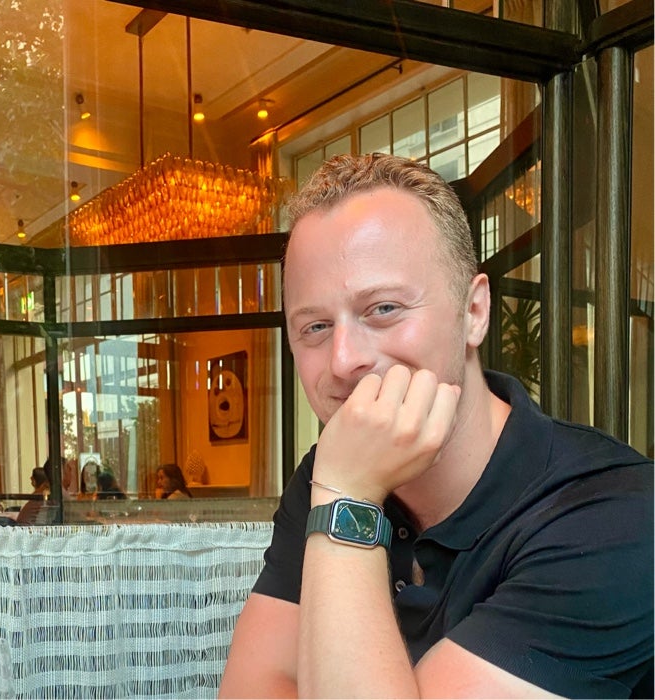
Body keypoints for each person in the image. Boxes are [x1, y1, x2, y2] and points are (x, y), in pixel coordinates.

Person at [219, 153, 653, 698]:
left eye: (383, 309)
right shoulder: (330, 472)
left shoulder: (615, 513)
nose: (343, 360)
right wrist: (344, 487)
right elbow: (253, 687)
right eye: (316, 327)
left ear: (473, 312)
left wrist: (349, 499)